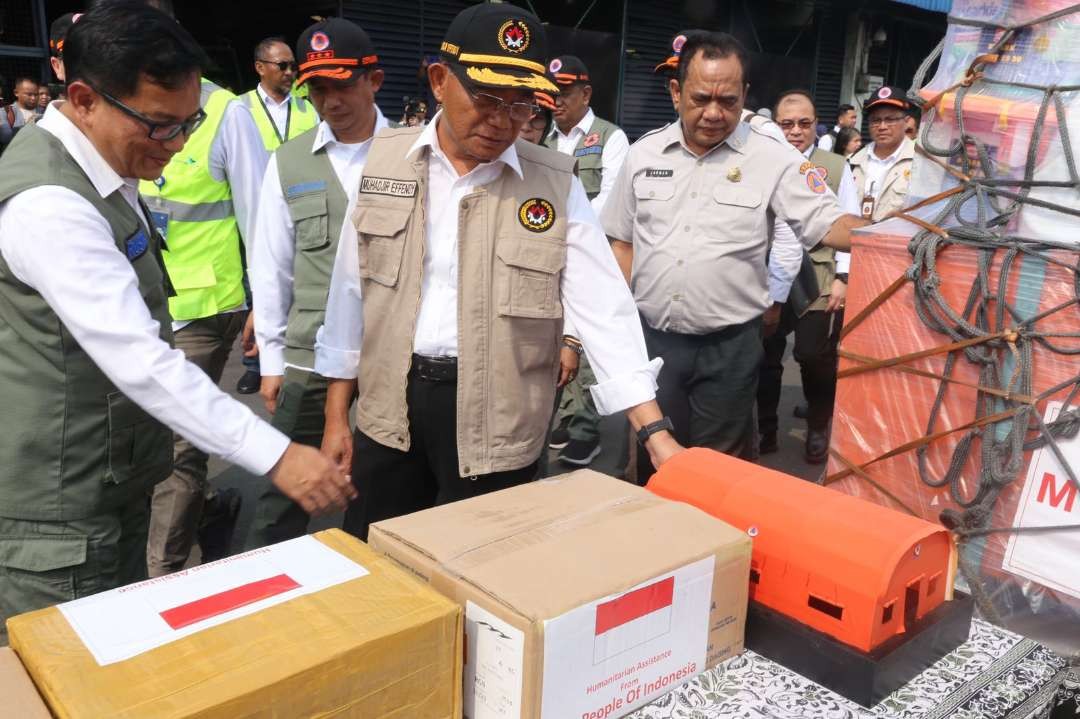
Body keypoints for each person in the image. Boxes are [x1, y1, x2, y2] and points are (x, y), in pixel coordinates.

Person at [0, 1, 353, 644]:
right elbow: (141, 360)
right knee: (72, 676)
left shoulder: (102, 169)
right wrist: (276, 455)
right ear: (82, 99)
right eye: (162, 126)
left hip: (105, 488)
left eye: (190, 122)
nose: (182, 143)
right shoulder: (51, 204)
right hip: (57, 518)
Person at [316, 3, 682, 540]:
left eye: (521, 105)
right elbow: (351, 293)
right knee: (378, 554)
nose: (503, 120)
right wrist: (334, 415)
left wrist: (653, 430)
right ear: (440, 82)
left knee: (478, 562)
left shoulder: (554, 183)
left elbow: (602, 305)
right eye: (486, 99)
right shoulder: (384, 162)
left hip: (498, 414)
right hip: (390, 405)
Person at [602, 31, 867, 485]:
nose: (713, 113)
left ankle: (711, 554)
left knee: (716, 471)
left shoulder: (772, 157)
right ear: (675, 91)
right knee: (655, 462)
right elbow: (621, 241)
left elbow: (827, 223)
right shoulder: (643, 153)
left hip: (730, 347)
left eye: (727, 100)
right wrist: (617, 322)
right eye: (700, 97)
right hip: (655, 341)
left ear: (744, 95)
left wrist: (895, 235)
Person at [245, 18, 390, 549]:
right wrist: (272, 361)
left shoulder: (413, 156)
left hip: (390, 350)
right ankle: (265, 589)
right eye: (317, 89)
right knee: (288, 487)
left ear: (374, 80)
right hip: (309, 349)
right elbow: (271, 265)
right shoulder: (288, 163)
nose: (331, 101)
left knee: (379, 486)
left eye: (342, 85)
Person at [138, 10, 272, 577]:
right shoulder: (121, 106)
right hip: (138, 306)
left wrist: (265, 307)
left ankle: (162, 577)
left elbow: (261, 215)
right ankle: (209, 512)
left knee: (178, 451)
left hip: (202, 308)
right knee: (139, 444)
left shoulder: (225, 114)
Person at [758, 89, 860, 464]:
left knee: (813, 356)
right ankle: (764, 428)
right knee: (764, 355)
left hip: (817, 277)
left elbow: (849, 220)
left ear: (816, 125)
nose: (796, 131)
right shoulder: (760, 161)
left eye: (804, 123)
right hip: (766, 277)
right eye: (787, 124)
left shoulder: (834, 166)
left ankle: (818, 424)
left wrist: (844, 278)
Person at [541, 54, 631, 466]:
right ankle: (566, 415)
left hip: (593, 253)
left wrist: (562, 231)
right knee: (556, 338)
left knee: (587, 342)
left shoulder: (610, 138)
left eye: (564, 93)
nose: (556, 101)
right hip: (548, 256)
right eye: (551, 92)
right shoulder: (545, 141)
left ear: (586, 93)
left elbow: (609, 202)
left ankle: (586, 430)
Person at [236, 36, 320, 396]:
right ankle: (256, 364)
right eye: (281, 66)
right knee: (260, 288)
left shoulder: (307, 109)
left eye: (292, 66)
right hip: (253, 209)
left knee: (293, 284)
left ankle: (293, 358)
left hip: (298, 207)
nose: (290, 73)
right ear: (259, 67)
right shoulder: (239, 110)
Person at [849, 86, 916, 222]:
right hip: (852, 239)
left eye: (890, 119)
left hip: (896, 241)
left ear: (907, 121)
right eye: (876, 120)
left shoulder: (921, 162)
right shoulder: (852, 162)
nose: (882, 127)